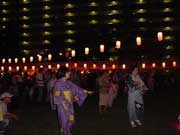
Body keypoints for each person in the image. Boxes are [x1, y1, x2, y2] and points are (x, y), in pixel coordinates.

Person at [53, 67, 94, 135]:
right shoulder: (58, 83)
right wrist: (64, 105)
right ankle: (64, 133)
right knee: (64, 121)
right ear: (63, 73)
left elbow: (77, 89)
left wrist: (87, 91)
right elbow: (57, 95)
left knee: (70, 120)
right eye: (68, 72)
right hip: (62, 106)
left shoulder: (69, 82)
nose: (69, 73)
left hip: (69, 104)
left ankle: (68, 132)